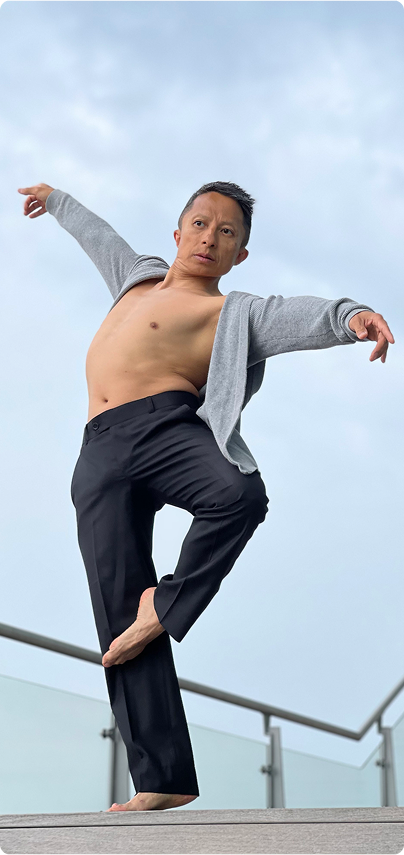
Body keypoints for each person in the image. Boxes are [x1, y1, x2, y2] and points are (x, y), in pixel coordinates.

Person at [18, 180, 394, 812]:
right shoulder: (136, 279)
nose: (209, 238)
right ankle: (162, 779)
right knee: (119, 617)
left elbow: (299, 315)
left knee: (238, 495)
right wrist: (57, 200)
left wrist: (350, 316)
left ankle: (166, 603)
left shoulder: (234, 313)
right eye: (200, 224)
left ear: (238, 255)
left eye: (227, 233)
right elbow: (99, 236)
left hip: (166, 426)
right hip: (99, 451)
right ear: (178, 232)